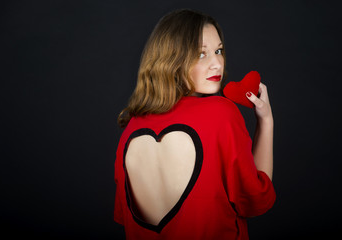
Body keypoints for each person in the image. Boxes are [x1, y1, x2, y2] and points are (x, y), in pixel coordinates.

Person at [114, 9, 275, 240]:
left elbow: (126, 220)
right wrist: (266, 121)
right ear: (172, 60)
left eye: (219, 51)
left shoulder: (131, 128)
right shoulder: (221, 112)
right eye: (201, 54)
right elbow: (257, 200)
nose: (217, 64)